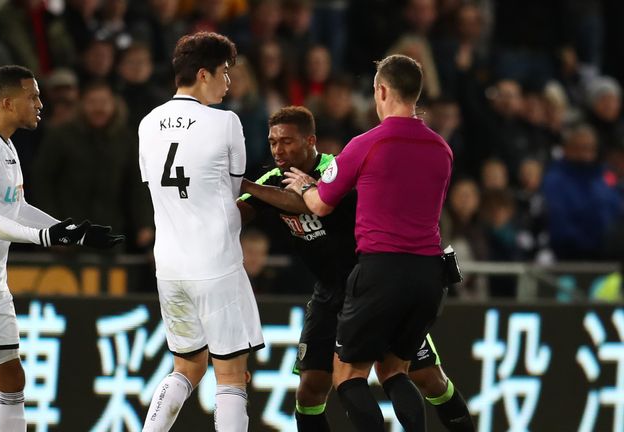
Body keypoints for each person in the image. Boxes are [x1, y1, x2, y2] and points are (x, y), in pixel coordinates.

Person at [239, 106, 473, 431]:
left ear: (311, 141)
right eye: (273, 142)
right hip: (329, 294)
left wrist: (243, 183)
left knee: (427, 377)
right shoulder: (272, 180)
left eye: (287, 142)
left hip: (370, 285)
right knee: (310, 389)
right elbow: (240, 213)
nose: (278, 150)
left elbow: (310, 202)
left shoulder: (338, 168)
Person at [0, 65, 124, 432]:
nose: (40, 103)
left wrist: (71, 232)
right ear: (7, 102)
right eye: (32, 96)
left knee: (12, 378)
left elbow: (16, 208)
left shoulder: (6, 146)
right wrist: (46, 238)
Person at [283, 55, 452, 431]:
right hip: (429, 274)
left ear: (381, 90)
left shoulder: (366, 143)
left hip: (381, 270)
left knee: (348, 374)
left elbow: (322, 205)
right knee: (395, 370)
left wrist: (307, 186)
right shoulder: (442, 149)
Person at [138, 32, 264, 432]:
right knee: (230, 377)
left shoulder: (147, 123)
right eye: (225, 73)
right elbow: (231, 194)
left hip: (170, 266)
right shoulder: (226, 122)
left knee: (186, 367)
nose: (229, 83)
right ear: (204, 74)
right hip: (216, 264)